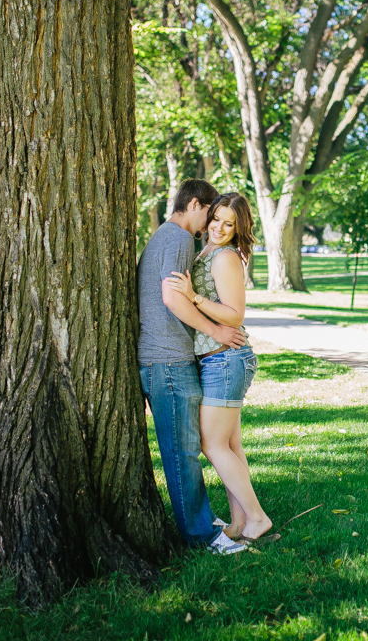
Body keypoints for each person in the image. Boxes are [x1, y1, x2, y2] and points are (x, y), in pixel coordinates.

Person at [138, 179, 248, 555]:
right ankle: (203, 537)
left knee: (188, 447)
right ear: (197, 205)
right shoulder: (180, 238)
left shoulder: (168, 237)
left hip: (167, 358)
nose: (209, 227)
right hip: (167, 360)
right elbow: (172, 295)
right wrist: (217, 330)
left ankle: (204, 522)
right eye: (210, 215)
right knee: (182, 451)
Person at [166, 193, 272, 541]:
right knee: (230, 446)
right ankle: (240, 523)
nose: (220, 228)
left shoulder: (225, 257)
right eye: (217, 219)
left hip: (224, 361)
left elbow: (235, 314)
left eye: (230, 224)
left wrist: (194, 297)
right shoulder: (208, 252)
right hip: (220, 360)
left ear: (238, 228)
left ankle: (257, 518)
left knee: (212, 445)